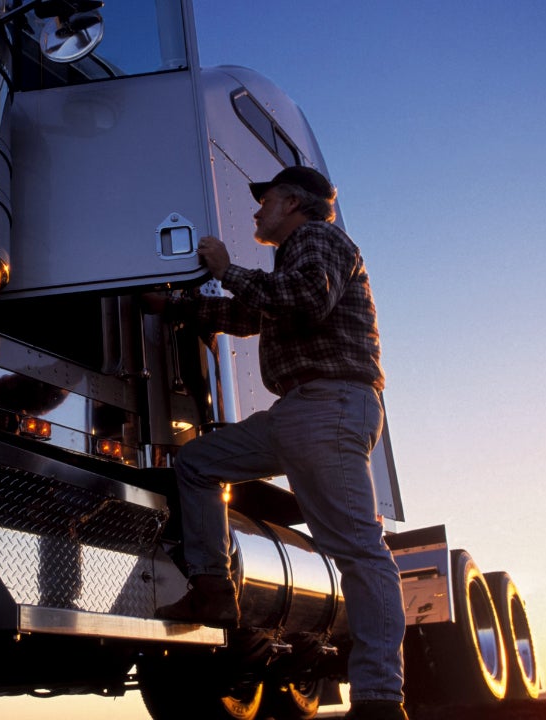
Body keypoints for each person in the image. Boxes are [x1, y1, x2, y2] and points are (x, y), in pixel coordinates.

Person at [149, 166, 409, 720]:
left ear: (292, 201)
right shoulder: (292, 253)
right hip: (300, 410)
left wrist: (226, 268)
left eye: (264, 201)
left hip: (329, 404)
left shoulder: (318, 239)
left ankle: (382, 698)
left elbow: (305, 300)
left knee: (361, 552)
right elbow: (249, 314)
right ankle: (216, 588)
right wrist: (176, 307)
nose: (256, 212)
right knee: (197, 464)